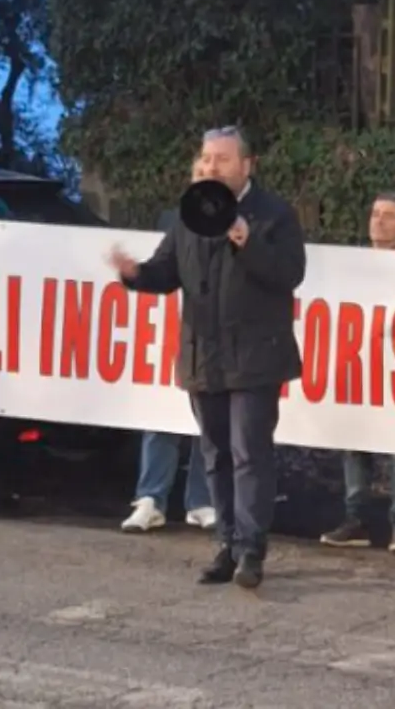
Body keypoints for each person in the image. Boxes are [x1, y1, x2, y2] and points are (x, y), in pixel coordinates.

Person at [109, 127, 306, 589]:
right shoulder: (189, 214)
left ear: (247, 165)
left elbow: (289, 273)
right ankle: (227, 544)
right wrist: (135, 274)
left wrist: (247, 241)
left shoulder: (274, 213)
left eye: (222, 158)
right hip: (203, 355)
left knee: (249, 453)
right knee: (215, 454)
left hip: (255, 356)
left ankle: (251, 550)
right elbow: (166, 271)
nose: (211, 166)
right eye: (206, 158)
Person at [321, 190, 395, 554]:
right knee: (354, 445)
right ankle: (356, 520)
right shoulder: (352, 264)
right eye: (375, 213)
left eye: (388, 215)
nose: (378, 221)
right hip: (360, 368)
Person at [122, 158, 216, 534]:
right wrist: (135, 274)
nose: (205, 179)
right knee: (159, 413)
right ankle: (150, 498)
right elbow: (162, 270)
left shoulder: (244, 223)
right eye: (199, 173)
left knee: (210, 421)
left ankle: (202, 500)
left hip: (219, 341)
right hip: (170, 336)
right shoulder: (176, 222)